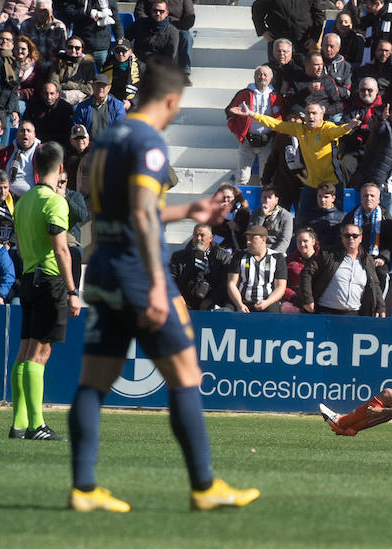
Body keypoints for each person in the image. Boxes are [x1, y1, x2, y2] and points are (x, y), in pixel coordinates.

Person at [68, 58, 259, 512]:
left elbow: (122, 211)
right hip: (139, 272)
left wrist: (185, 211)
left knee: (93, 383)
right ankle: (204, 486)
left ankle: (83, 488)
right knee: (186, 376)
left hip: (105, 268)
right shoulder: (148, 142)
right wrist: (157, 284)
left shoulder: (105, 141)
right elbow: (138, 214)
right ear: (170, 100)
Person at [9, 141, 80, 441]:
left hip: (27, 278)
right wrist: (73, 290)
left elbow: (22, 248)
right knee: (40, 353)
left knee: (24, 352)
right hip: (49, 280)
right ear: (61, 168)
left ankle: (19, 423)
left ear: (35, 167)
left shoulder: (23, 201)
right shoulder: (55, 202)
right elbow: (61, 248)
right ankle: (37, 426)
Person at [229, 100, 359, 227]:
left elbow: (339, 131)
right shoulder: (300, 129)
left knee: (335, 222)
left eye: (314, 113)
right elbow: (275, 125)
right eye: (308, 113)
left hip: (333, 183)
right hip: (312, 183)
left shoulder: (326, 129)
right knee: (302, 220)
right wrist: (251, 114)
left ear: (322, 115)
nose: (311, 116)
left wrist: (349, 126)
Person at [299, 221, 386, 316]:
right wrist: (307, 299)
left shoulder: (367, 260)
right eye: (347, 235)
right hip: (325, 313)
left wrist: (380, 307)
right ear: (342, 237)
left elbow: (375, 284)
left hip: (353, 315)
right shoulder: (327, 254)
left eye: (355, 236)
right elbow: (306, 273)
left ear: (360, 238)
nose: (351, 238)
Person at [225, 65, 284, 185]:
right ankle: (240, 202)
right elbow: (230, 113)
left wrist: (278, 137)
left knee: (266, 178)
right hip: (246, 141)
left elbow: (282, 116)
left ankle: (266, 203)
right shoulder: (244, 94)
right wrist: (237, 132)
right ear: (254, 77)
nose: (262, 77)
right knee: (242, 177)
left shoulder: (277, 96)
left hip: (268, 141)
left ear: (271, 78)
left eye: (265, 75)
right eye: (259, 74)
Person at [170, 223, 233, 310]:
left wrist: (212, 299)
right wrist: (177, 296)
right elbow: (171, 279)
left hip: (212, 301)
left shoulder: (223, 256)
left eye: (202, 235)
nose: (198, 238)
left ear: (211, 238)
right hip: (184, 300)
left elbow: (225, 283)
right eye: (196, 235)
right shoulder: (179, 256)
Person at [225, 224, 287, 312]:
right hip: (241, 300)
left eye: (252, 239)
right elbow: (232, 283)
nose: (248, 242)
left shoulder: (277, 258)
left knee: (272, 316)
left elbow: (280, 287)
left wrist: (267, 302)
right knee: (226, 312)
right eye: (247, 239)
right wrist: (239, 304)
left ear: (263, 240)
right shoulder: (239, 256)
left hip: (267, 301)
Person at [133, 0, 195, 82]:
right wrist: (149, 23)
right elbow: (139, 11)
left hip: (176, 27)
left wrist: (174, 28)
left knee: (186, 37)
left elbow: (189, 17)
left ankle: (184, 72)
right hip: (152, 25)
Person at [251, 0, 326, 61]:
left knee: (301, 72)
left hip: (303, 42)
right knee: (277, 73)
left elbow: (319, 15)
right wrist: (263, 30)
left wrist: (314, 37)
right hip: (277, 41)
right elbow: (257, 8)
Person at [0, 121, 40, 199]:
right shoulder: (5, 152)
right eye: (22, 131)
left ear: (34, 134)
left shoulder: (43, 152)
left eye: (28, 131)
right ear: (17, 134)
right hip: (6, 199)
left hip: (33, 198)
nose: (25, 133)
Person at [72, 74, 127, 140]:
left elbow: (120, 128)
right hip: (89, 146)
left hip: (110, 145)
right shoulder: (82, 106)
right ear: (92, 86)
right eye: (98, 85)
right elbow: (77, 127)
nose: (101, 88)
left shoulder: (118, 106)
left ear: (109, 88)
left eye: (103, 86)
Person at [47, 36, 96, 107]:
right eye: (70, 47)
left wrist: (70, 85)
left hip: (81, 98)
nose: (73, 50)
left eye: (77, 48)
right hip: (60, 96)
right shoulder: (58, 61)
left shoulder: (88, 64)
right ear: (66, 48)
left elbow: (90, 89)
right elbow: (53, 82)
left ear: (82, 49)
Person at [125, 0, 178, 64]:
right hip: (138, 62)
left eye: (161, 11)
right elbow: (125, 39)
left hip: (160, 66)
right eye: (155, 11)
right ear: (151, 11)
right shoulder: (140, 23)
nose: (158, 13)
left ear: (166, 13)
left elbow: (170, 57)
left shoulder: (172, 32)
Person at [20, 0, 68, 65]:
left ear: (51, 12)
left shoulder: (59, 27)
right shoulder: (26, 25)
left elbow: (62, 50)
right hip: (31, 65)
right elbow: (21, 46)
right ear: (35, 11)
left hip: (52, 66)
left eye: (45, 11)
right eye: (39, 11)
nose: (42, 14)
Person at [281, 227, 317, 313]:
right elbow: (282, 283)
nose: (302, 244)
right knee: (285, 309)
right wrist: (292, 296)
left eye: (305, 241)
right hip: (295, 298)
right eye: (299, 242)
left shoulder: (323, 259)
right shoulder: (288, 260)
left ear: (313, 242)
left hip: (317, 298)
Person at [248, 185, 293, 255]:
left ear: (276, 200)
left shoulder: (286, 216)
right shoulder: (255, 213)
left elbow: (285, 240)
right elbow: (252, 234)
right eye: (264, 198)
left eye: (270, 198)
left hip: (276, 251)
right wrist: (262, 216)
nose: (266, 200)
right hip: (257, 249)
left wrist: (274, 254)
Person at [101, 39, 144, 111]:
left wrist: (131, 102)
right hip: (112, 102)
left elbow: (145, 89)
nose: (120, 54)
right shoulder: (107, 65)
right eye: (117, 51)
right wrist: (115, 102)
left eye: (124, 51)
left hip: (133, 103)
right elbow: (102, 86)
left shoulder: (141, 67)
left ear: (130, 51)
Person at [305, 181, 343, 251]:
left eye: (326, 197)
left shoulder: (341, 218)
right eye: (319, 196)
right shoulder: (309, 215)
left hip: (332, 254)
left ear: (333, 198)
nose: (322, 200)